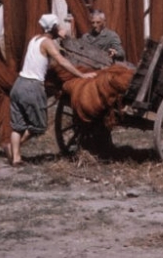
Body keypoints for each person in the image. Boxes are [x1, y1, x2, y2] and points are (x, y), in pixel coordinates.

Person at [7, 13, 97, 166]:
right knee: (38, 126)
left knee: (18, 126)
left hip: (19, 84)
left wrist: (60, 38)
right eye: (58, 26)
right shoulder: (48, 43)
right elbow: (61, 61)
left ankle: (15, 157)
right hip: (32, 87)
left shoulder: (34, 39)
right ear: (54, 27)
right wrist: (81, 75)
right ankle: (13, 148)